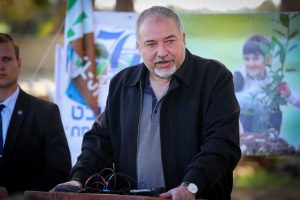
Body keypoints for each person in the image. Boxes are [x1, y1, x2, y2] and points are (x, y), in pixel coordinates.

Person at [54, 6, 241, 200]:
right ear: (139, 46)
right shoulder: (122, 83)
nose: (162, 52)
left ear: (183, 39)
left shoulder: (214, 77)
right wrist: (78, 179)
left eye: (169, 41)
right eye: (151, 44)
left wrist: (191, 185)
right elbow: (100, 142)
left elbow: (222, 144)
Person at [0, 33, 72, 195]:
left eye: (6, 59)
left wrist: (10, 191)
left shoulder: (46, 113)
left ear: (19, 64)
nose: (1, 66)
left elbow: (60, 173)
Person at [233, 34, 300, 134]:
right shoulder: (239, 77)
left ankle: (271, 134)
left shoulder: (273, 80)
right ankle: (246, 138)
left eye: (255, 58)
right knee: (240, 101)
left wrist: (289, 95)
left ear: (268, 59)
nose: (251, 64)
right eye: (247, 59)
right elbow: (225, 103)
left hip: (265, 125)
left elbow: (296, 102)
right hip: (242, 128)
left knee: (273, 101)